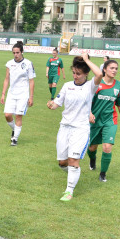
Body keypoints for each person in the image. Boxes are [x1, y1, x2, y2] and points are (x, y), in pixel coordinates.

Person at [47, 52, 102, 201]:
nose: (75, 76)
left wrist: (85, 59)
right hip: (64, 127)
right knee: (62, 162)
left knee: (73, 160)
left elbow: (99, 73)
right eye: (73, 73)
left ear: (86, 74)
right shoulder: (67, 86)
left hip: (81, 129)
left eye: (78, 73)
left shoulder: (91, 86)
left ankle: (69, 190)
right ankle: (74, 172)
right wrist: (51, 105)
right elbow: (56, 104)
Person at [87, 59, 120, 183]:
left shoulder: (119, 85)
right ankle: (92, 159)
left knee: (107, 147)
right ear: (104, 69)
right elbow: (86, 100)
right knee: (92, 147)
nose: (114, 70)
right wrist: (89, 113)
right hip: (94, 120)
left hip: (110, 120)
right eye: (112, 68)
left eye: (116, 68)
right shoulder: (96, 84)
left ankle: (103, 174)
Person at [1, 41, 36, 146]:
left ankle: (14, 139)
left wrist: (31, 97)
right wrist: (3, 93)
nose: (15, 55)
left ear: (22, 52)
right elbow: (6, 79)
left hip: (23, 94)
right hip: (11, 94)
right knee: (7, 115)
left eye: (17, 52)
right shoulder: (9, 63)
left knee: (18, 116)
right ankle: (15, 129)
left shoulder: (28, 64)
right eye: (14, 53)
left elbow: (31, 81)